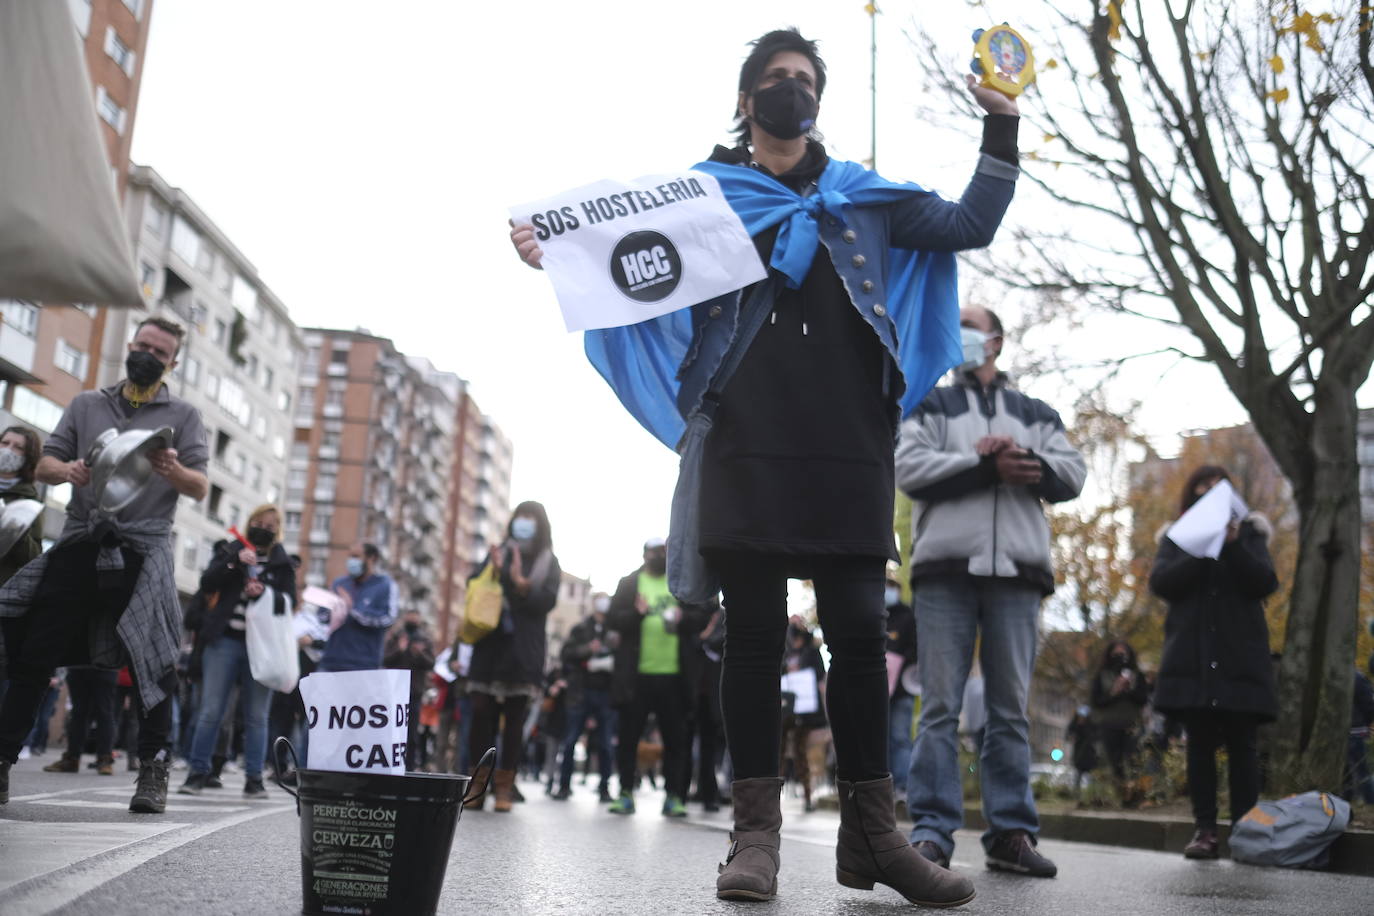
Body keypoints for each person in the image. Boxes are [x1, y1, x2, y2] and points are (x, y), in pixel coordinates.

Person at [510, 26, 1019, 907]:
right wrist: (553, 251)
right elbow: (618, 255)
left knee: (858, 635)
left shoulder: (866, 195)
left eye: (807, 80)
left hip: (849, 434)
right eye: (778, 79)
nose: (794, 91)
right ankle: (755, 842)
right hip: (745, 429)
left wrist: (1002, 126)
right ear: (747, 100)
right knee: (749, 637)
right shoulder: (704, 193)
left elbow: (971, 222)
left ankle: (875, 837)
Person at [896, 303, 1086, 878]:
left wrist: (1028, 464)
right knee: (940, 709)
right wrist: (982, 467)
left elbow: (1072, 471)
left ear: (997, 340)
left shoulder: (1035, 412)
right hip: (945, 571)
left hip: (1018, 576)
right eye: (955, 327)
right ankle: (931, 833)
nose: (963, 336)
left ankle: (1011, 833)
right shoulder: (928, 402)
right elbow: (908, 466)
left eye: (972, 326)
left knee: (1009, 711)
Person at [0, 316, 208, 811]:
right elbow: (45, 463)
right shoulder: (88, 403)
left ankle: (152, 773)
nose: (147, 355)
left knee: (154, 664)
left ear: (172, 363)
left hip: (143, 548)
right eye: (142, 345)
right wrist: (68, 470)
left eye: (159, 352)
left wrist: (172, 469)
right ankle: (2, 761)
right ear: (130, 347)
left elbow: (199, 485)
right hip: (81, 540)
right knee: (34, 651)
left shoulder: (183, 414)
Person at [1149, 465, 1278, 859]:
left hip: (1240, 658)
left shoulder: (1251, 535)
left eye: (1215, 488)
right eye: (1199, 487)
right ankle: (1204, 830)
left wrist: (1234, 545)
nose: (1207, 493)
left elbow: (1265, 582)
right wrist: (1202, 552)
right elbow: (1162, 583)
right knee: (1199, 745)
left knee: (1244, 745)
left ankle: (1244, 830)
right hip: (1194, 659)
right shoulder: (1177, 538)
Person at [180, 505, 297, 798]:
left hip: (262, 649)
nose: (263, 528)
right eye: (258, 522)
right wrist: (233, 563)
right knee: (210, 711)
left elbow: (289, 602)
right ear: (247, 523)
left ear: (278, 530)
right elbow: (207, 583)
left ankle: (254, 779)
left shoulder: (281, 562)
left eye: (270, 526)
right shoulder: (231, 550)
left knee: (257, 716)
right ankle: (197, 773)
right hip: (223, 642)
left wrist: (265, 591)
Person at [465, 502, 560, 812]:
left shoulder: (548, 561)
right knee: (481, 713)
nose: (524, 523)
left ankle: (504, 786)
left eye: (531, 519)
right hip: (490, 646)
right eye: (521, 517)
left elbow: (546, 601)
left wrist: (521, 584)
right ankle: (477, 784)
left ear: (540, 525)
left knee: (515, 719)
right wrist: (494, 569)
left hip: (523, 650)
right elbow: (473, 585)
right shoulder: (499, 551)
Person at [605, 538, 707, 818]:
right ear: (643, 555)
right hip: (635, 678)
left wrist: (682, 618)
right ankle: (625, 792)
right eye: (652, 553)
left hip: (673, 678)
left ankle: (674, 796)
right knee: (628, 738)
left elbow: (702, 615)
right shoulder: (629, 584)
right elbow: (612, 619)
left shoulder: (680, 583)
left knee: (676, 740)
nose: (656, 557)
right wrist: (637, 615)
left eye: (661, 553)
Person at [553, 592, 618, 801]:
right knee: (571, 739)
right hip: (581, 691)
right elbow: (567, 653)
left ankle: (604, 788)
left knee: (606, 743)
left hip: (606, 692)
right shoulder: (581, 628)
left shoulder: (613, 628)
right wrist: (587, 650)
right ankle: (563, 785)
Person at [1089, 639, 1149, 806]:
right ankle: (1121, 795)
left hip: (1132, 724)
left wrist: (1128, 689)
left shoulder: (1137, 675)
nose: (1120, 657)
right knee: (1115, 761)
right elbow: (1096, 701)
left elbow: (1143, 699)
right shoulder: (1102, 676)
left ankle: (1136, 796)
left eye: (1123, 653)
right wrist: (1114, 691)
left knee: (1134, 759)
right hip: (1109, 724)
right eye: (1116, 653)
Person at [779, 617, 826, 812]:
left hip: (805, 710)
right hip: (784, 706)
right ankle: (773, 795)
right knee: (779, 752)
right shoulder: (784, 649)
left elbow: (820, 676)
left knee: (800, 752)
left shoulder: (812, 652)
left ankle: (807, 795)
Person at [383, 610, 437, 770]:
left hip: (414, 692)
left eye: (415, 616)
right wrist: (399, 649)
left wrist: (418, 653)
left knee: (411, 734)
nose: (412, 618)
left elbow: (431, 663)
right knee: (391, 731)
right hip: (393, 691)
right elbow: (385, 659)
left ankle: (410, 768)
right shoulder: (396, 636)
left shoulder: (424, 639)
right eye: (410, 615)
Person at [883, 578, 918, 799]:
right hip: (878, 691)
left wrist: (898, 664)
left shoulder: (908, 617)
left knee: (900, 737)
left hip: (903, 689)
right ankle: (883, 786)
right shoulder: (875, 616)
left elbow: (916, 650)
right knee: (881, 740)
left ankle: (903, 786)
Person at [1346, 667, 1374, 806]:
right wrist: (1366, 723)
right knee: (1361, 771)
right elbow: (1369, 705)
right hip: (1356, 730)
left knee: (1347, 772)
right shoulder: (1358, 678)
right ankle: (1369, 802)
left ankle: (1346, 800)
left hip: (1344, 731)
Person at [1065, 706, 1098, 799]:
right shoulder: (1074, 724)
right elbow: (1069, 735)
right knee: (1078, 776)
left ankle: (1093, 795)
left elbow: (1095, 736)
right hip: (1079, 754)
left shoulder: (1092, 724)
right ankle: (1076, 794)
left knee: (1093, 776)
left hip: (1090, 754)